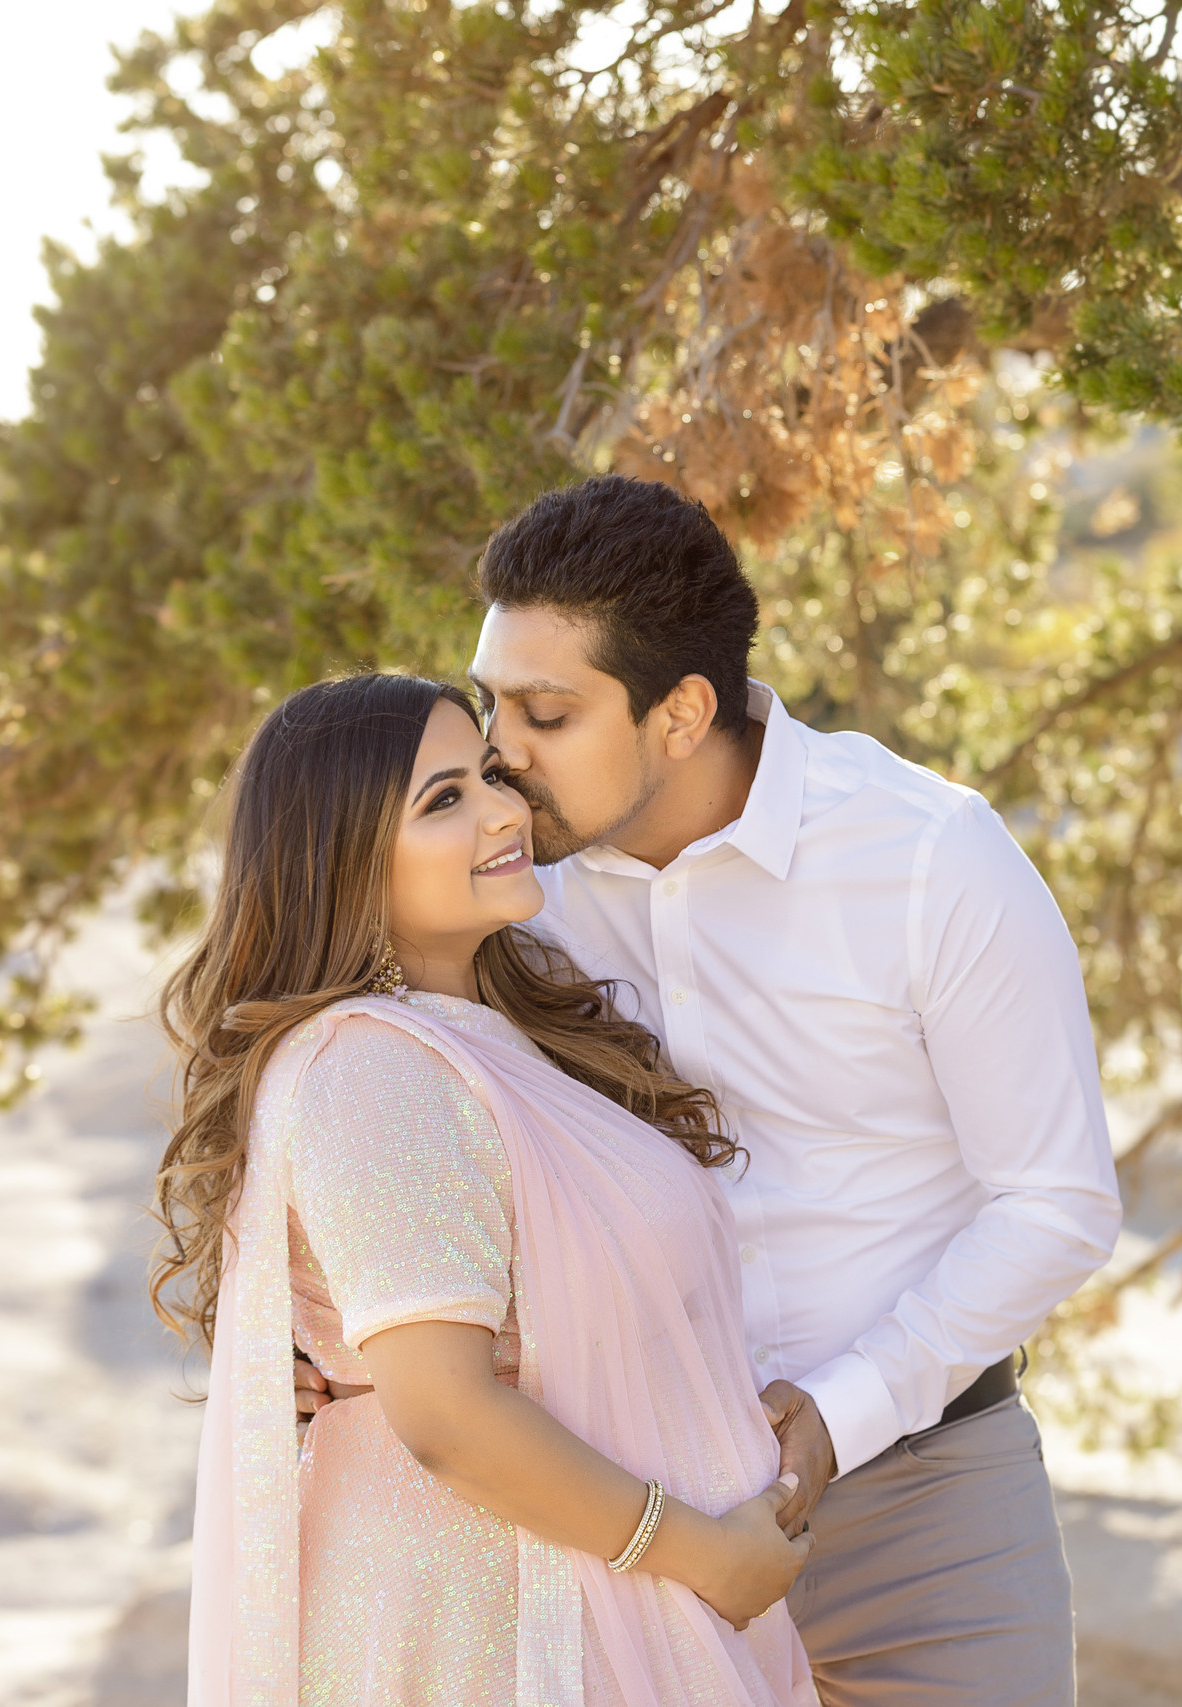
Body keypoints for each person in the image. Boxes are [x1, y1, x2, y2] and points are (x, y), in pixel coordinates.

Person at [302, 474, 1123, 1702]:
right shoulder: (516, 893)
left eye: (545, 714)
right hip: (623, 1514)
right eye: (490, 706)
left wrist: (840, 1416)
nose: (501, 759)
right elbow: (388, 1098)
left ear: (680, 713)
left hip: (922, 1497)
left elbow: (1057, 1205)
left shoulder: (926, 858)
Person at [160, 670, 819, 1707]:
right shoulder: (371, 1072)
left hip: (593, 1591)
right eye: (444, 799)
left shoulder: (497, 1038)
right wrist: (700, 1554)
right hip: (503, 1625)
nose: (505, 810)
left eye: (489, 775)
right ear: (340, 860)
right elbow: (446, 1416)